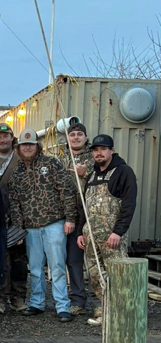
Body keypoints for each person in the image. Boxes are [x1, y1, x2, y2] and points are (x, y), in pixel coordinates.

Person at [8, 128, 77, 322]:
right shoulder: (17, 174)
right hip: (30, 228)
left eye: (31, 144)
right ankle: (37, 303)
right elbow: (15, 204)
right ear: (18, 148)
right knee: (35, 268)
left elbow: (66, 190)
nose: (27, 148)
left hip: (54, 223)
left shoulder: (51, 163)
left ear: (37, 146)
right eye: (24, 145)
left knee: (57, 266)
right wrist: (18, 230)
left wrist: (70, 218)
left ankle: (62, 306)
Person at [77, 134, 137, 325]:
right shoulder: (91, 175)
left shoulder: (123, 172)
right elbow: (84, 206)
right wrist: (80, 232)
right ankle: (105, 310)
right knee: (96, 275)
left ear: (112, 150)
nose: (99, 153)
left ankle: (122, 315)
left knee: (117, 275)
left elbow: (128, 205)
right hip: (90, 237)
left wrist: (118, 232)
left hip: (112, 237)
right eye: (95, 150)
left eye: (103, 149)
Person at [0, 122, 27, 314]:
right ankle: (0, 298)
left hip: (18, 215)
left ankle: (18, 297)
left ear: (12, 138)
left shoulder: (21, 158)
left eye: (5, 136)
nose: (2, 140)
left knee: (19, 260)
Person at [61, 122, 94, 315]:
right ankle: (78, 301)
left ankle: (102, 301)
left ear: (85, 138)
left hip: (93, 216)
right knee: (74, 261)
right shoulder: (61, 160)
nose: (75, 137)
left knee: (96, 261)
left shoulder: (96, 158)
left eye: (79, 134)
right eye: (72, 134)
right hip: (71, 216)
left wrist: (85, 173)